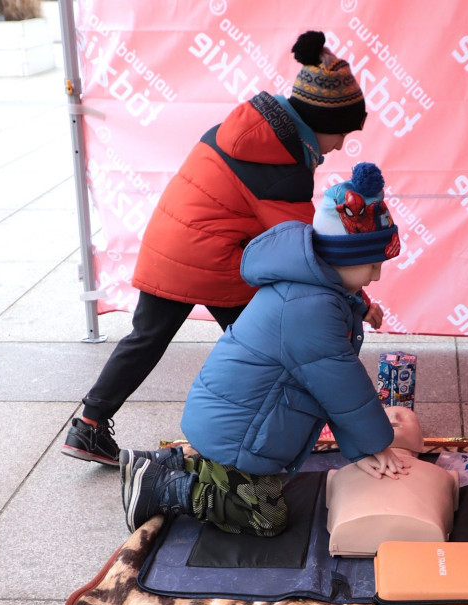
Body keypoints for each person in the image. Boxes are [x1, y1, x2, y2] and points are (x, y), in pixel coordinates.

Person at [62, 31, 381, 466]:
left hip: (169, 243)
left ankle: (90, 425)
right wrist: (359, 299)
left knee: (148, 337)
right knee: (285, 335)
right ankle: (247, 434)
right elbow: (305, 250)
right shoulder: (282, 164)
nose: (342, 145)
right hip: (211, 258)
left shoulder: (252, 129)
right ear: (320, 123)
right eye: (341, 132)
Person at [119, 162, 410, 537]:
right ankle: (164, 487)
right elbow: (341, 385)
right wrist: (375, 444)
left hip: (232, 420)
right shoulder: (311, 308)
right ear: (340, 258)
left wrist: (364, 446)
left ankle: (167, 461)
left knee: (260, 489)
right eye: (371, 265)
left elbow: (335, 377)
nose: (377, 275)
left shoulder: (313, 289)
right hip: (238, 432)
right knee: (266, 518)